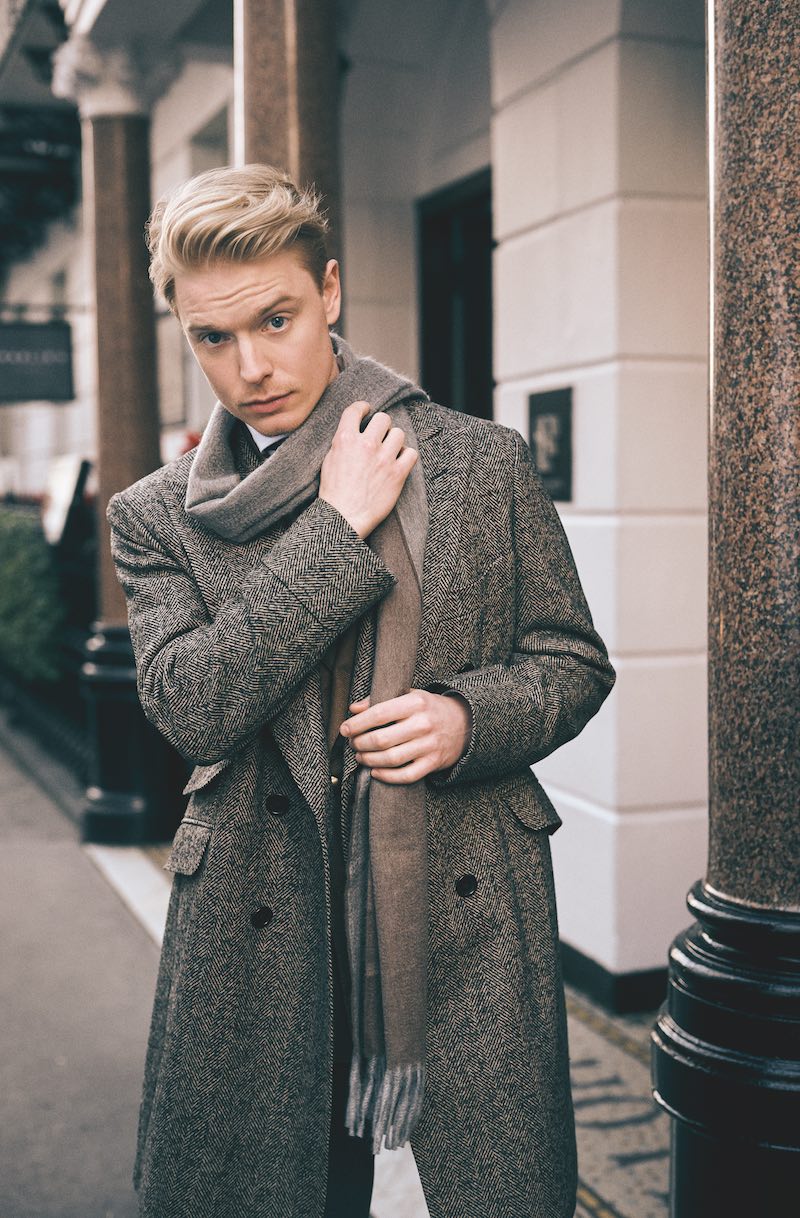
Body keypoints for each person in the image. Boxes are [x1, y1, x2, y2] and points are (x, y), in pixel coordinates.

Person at [107, 163, 615, 1218]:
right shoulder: (155, 517)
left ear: (329, 293)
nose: (250, 367)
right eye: (212, 338)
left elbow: (570, 660)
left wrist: (466, 718)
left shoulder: (480, 463)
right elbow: (192, 706)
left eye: (276, 318)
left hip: (458, 893)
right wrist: (335, 531)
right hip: (257, 912)